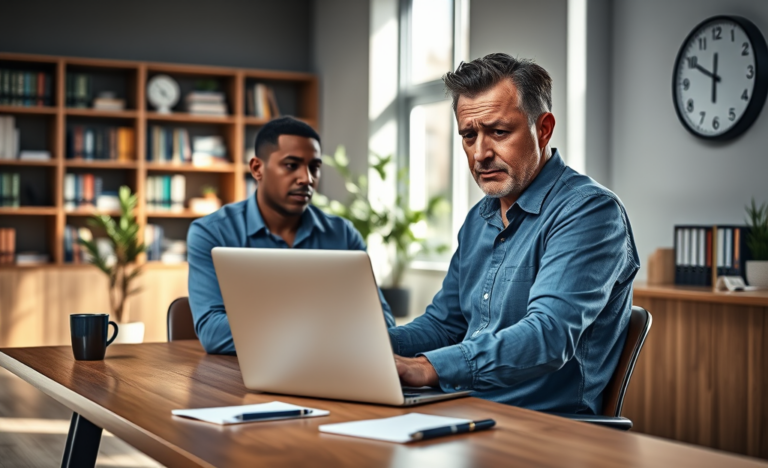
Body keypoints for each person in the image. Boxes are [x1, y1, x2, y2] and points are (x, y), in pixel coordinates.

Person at [390, 53, 640, 414]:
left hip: (545, 431)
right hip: (464, 412)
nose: (480, 154)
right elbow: (445, 325)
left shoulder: (590, 212)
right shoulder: (479, 218)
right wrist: (375, 346)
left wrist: (429, 368)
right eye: (469, 135)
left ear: (544, 129)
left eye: (498, 132)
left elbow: (548, 336)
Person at [187, 116, 395, 355]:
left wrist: (279, 330)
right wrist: (326, 328)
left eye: (314, 168)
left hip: (331, 372)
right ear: (257, 169)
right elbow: (213, 333)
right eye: (291, 165)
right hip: (238, 378)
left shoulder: (343, 235)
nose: (306, 178)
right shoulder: (212, 233)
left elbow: (381, 322)